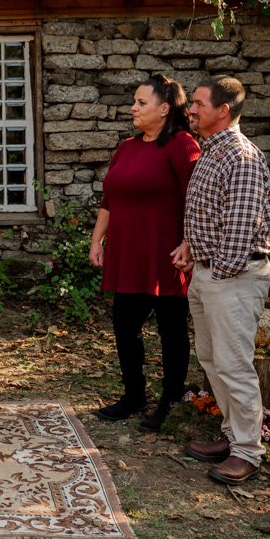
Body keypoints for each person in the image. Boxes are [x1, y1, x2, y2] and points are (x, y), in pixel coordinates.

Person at [171, 75, 270, 486]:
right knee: (213, 359)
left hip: (232, 275)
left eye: (198, 103)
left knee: (234, 365)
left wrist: (217, 273)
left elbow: (238, 226)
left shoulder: (241, 157)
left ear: (223, 111)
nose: (191, 109)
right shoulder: (212, 150)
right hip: (209, 271)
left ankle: (249, 451)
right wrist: (191, 248)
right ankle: (233, 436)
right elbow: (209, 212)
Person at [89, 74, 201, 431]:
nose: (133, 108)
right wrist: (97, 240)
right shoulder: (127, 147)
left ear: (165, 108)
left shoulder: (183, 145)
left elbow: (196, 202)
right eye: (134, 102)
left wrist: (191, 246)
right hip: (128, 254)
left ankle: (170, 400)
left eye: (141, 102)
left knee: (171, 331)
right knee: (124, 326)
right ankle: (134, 395)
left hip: (168, 256)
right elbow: (110, 198)